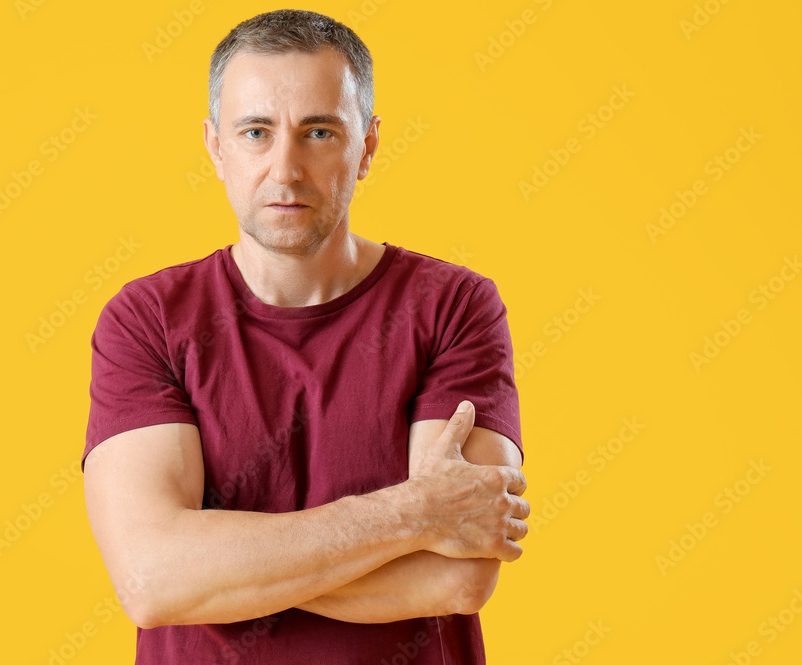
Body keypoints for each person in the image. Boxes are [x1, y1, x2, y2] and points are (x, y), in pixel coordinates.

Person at [81, 9, 530, 664]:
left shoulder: (455, 307)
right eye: (256, 132)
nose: (285, 168)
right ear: (215, 146)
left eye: (319, 132)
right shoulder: (147, 318)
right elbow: (152, 580)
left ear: (368, 146)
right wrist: (413, 513)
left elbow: (457, 576)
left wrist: (219, 567)